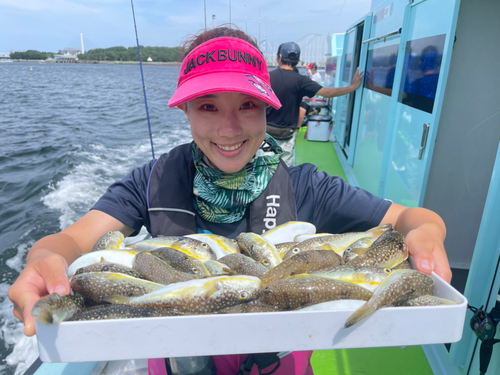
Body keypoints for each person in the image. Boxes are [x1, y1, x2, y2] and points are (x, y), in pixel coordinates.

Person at [8, 26, 451, 375]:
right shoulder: (151, 182)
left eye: (246, 105)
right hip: (179, 360)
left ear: (266, 108)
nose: (229, 128)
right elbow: (72, 241)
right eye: (207, 107)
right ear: (184, 111)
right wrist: (43, 257)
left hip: (279, 363)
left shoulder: (306, 185)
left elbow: (412, 217)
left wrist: (428, 231)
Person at [266, 42, 363, 166]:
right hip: (287, 133)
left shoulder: (267, 76)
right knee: (285, 171)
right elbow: (328, 92)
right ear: (299, 59)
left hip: (266, 131)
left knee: (264, 168)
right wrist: (353, 86)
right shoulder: (301, 80)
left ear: (279, 56)